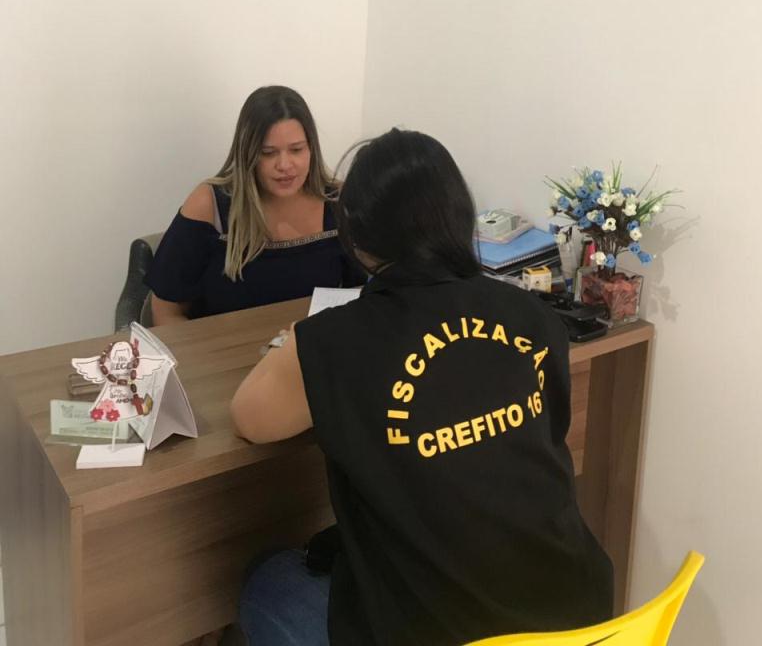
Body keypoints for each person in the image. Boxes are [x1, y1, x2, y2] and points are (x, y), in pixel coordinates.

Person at [231, 129, 614, 646]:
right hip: (586, 623)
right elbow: (551, 427)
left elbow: (250, 418)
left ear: (357, 234)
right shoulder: (532, 314)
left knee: (266, 579)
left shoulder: (333, 340)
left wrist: (298, 340)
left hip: (445, 632)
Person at [145, 86, 362, 324]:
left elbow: (365, 294)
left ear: (312, 149)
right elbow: (165, 309)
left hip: (309, 344)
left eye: (296, 150)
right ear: (247, 154)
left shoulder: (338, 202)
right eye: (268, 153)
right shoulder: (209, 205)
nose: (285, 165)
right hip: (225, 344)